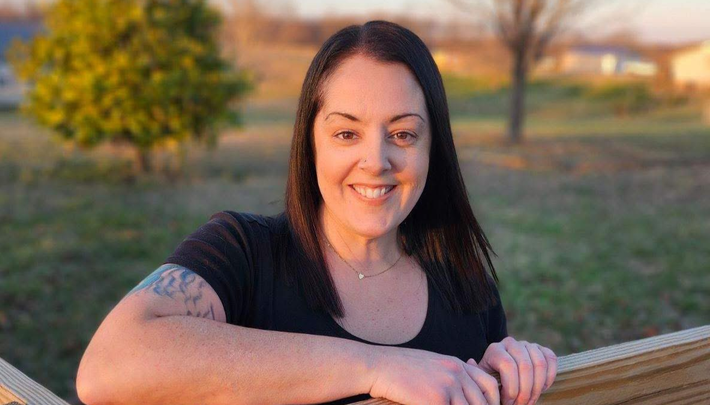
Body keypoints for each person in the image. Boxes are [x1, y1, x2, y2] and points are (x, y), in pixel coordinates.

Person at [76, 20, 557, 405]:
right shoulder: (244, 252)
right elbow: (107, 367)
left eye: (403, 134)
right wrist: (378, 366)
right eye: (346, 134)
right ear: (311, 145)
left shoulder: (467, 286)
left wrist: (506, 378)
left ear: (434, 149)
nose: (376, 161)